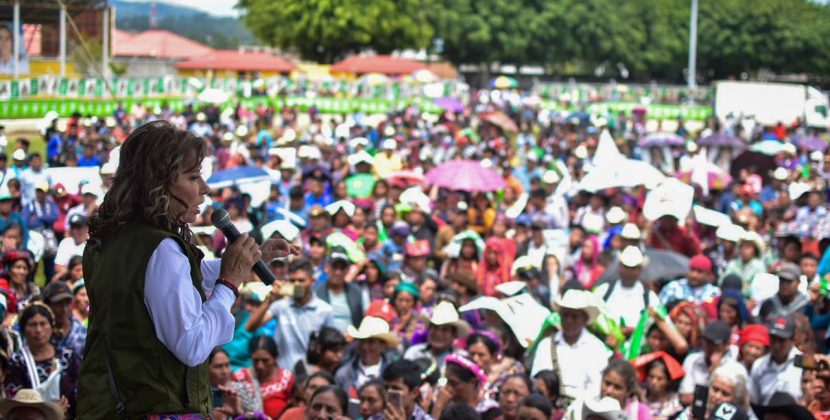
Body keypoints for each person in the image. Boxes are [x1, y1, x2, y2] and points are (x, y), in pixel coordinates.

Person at [77, 121, 296, 417]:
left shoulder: (112, 238)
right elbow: (191, 345)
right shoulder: (161, 248)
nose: (204, 190)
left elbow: (169, 285)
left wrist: (246, 262)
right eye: (194, 178)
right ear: (158, 183)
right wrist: (229, 283)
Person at [246, 259, 335, 371]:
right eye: (293, 280)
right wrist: (269, 300)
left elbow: (331, 346)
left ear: (312, 281)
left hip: (311, 374)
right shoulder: (280, 306)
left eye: (301, 280)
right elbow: (250, 327)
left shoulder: (325, 310)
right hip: (283, 374)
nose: (297, 284)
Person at [531, 290, 612, 402]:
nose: (569, 320)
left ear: (584, 319)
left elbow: (597, 387)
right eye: (565, 315)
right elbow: (538, 380)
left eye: (574, 316)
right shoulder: (545, 345)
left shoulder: (597, 348)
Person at [5, 303, 80, 417]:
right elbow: (15, 399)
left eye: (43, 324)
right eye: (32, 325)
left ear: (51, 326)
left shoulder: (67, 357)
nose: (39, 330)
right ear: (23, 329)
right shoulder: (18, 361)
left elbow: (79, 391)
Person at [593, 246, 659, 335]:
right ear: (619, 267)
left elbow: (655, 325)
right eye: (625, 267)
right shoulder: (604, 291)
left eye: (632, 268)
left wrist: (635, 330)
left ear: (640, 270)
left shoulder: (649, 297)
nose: (628, 272)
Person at [678, 320, 741, 406]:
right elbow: (685, 398)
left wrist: (715, 372)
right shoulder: (692, 359)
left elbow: (731, 401)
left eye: (714, 343)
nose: (708, 346)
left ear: (726, 344)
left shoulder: (735, 366)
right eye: (706, 341)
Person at [231, 335, 294, 419]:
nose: (260, 366)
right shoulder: (239, 377)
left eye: (265, 361)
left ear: (275, 358)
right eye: (255, 360)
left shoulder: (286, 378)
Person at [336, 316, 399, 396]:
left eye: (371, 342)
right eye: (362, 341)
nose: (365, 347)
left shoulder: (392, 375)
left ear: (383, 346)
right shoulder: (343, 374)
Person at [749, 315, 804, 404]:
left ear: (792, 340)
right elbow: (754, 401)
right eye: (773, 339)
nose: (776, 345)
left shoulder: (804, 363)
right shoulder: (759, 365)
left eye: (781, 340)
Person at [314, 246, 367, 333]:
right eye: (334, 267)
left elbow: (366, 320)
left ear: (348, 270)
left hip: (352, 343)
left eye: (342, 268)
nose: (338, 272)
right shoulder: (316, 293)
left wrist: (356, 335)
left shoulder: (359, 293)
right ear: (327, 268)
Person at [431, 353, 501, 419]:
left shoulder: (490, 412)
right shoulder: (445, 407)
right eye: (447, 382)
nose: (447, 389)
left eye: (454, 384)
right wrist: (438, 407)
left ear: (473, 382)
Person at [403, 301, 471, 368]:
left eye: (445, 329)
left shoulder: (461, 358)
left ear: (454, 334)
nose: (438, 333)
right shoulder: (414, 353)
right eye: (435, 327)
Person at [208, 347, 260, 417]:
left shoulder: (238, 389)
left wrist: (239, 413)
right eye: (218, 366)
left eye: (227, 365)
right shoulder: (199, 393)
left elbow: (257, 416)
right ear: (205, 369)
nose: (225, 371)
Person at [40, 281, 86, 358]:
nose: (64, 309)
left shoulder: (82, 333)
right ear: (47, 305)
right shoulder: (39, 331)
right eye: (58, 304)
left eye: (67, 303)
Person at [52, 214, 88, 282]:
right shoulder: (65, 242)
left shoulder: (90, 244)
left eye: (78, 227)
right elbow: (58, 267)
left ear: (86, 228)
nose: (75, 231)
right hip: (68, 278)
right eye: (72, 227)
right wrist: (74, 271)